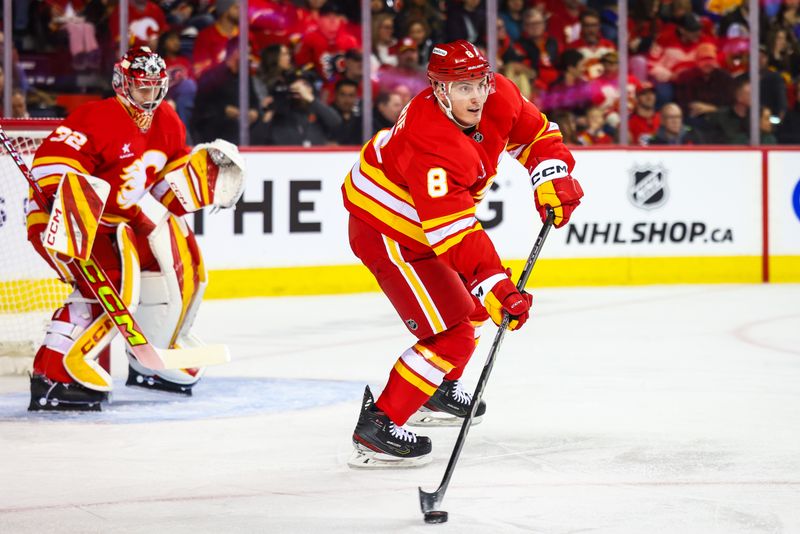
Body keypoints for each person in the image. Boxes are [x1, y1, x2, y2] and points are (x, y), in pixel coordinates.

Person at [341, 40, 583, 467]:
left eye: (479, 83)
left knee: (472, 310)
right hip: (387, 228)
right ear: (438, 90)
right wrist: (497, 284)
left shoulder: (499, 95)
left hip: (426, 223)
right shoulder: (430, 139)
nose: (476, 96)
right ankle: (379, 426)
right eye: (462, 87)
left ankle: (434, 390)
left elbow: (537, 135)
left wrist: (551, 173)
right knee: (451, 336)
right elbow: (453, 235)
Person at [24, 47, 245, 411]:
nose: (152, 97)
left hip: (123, 226)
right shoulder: (95, 116)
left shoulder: (168, 121)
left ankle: (151, 357)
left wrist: (201, 178)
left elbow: (166, 187)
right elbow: (53, 165)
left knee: (175, 268)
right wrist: (60, 190)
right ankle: (52, 374)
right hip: (71, 219)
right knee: (105, 286)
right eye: (143, 89)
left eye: (157, 88)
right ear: (122, 84)